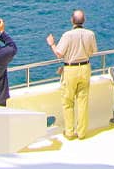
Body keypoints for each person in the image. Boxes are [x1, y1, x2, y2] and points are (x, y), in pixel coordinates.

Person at [47, 9, 97, 139]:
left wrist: (52, 44)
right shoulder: (90, 34)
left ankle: (69, 132)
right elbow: (93, 52)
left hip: (70, 69)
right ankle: (82, 132)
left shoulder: (67, 35)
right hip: (85, 67)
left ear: (72, 20)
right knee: (83, 101)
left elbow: (59, 53)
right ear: (84, 21)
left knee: (68, 101)